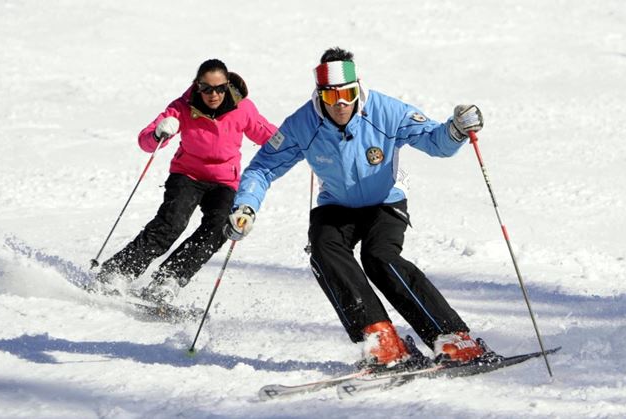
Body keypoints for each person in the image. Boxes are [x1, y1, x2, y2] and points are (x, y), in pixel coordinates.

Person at [225, 47, 498, 370]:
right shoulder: (302, 124)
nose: (340, 104)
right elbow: (263, 167)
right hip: (337, 205)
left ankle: (453, 337)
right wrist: (246, 205)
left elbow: (434, 140)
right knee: (324, 250)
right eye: (331, 98)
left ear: (358, 88)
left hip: (385, 200)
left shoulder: (386, 111)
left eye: (348, 94)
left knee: (379, 257)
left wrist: (455, 130)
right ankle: (380, 339)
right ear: (320, 96)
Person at [96, 59, 277, 305]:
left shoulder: (242, 108)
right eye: (206, 88)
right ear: (197, 86)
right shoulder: (182, 106)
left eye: (220, 88)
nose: (213, 94)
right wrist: (159, 132)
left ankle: (169, 278)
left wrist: (301, 144)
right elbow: (145, 141)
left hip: (224, 181)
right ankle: (119, 271)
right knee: (172, 222)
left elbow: (269, 135)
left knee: (220, 227)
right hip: (187, 175)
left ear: (227, 86)